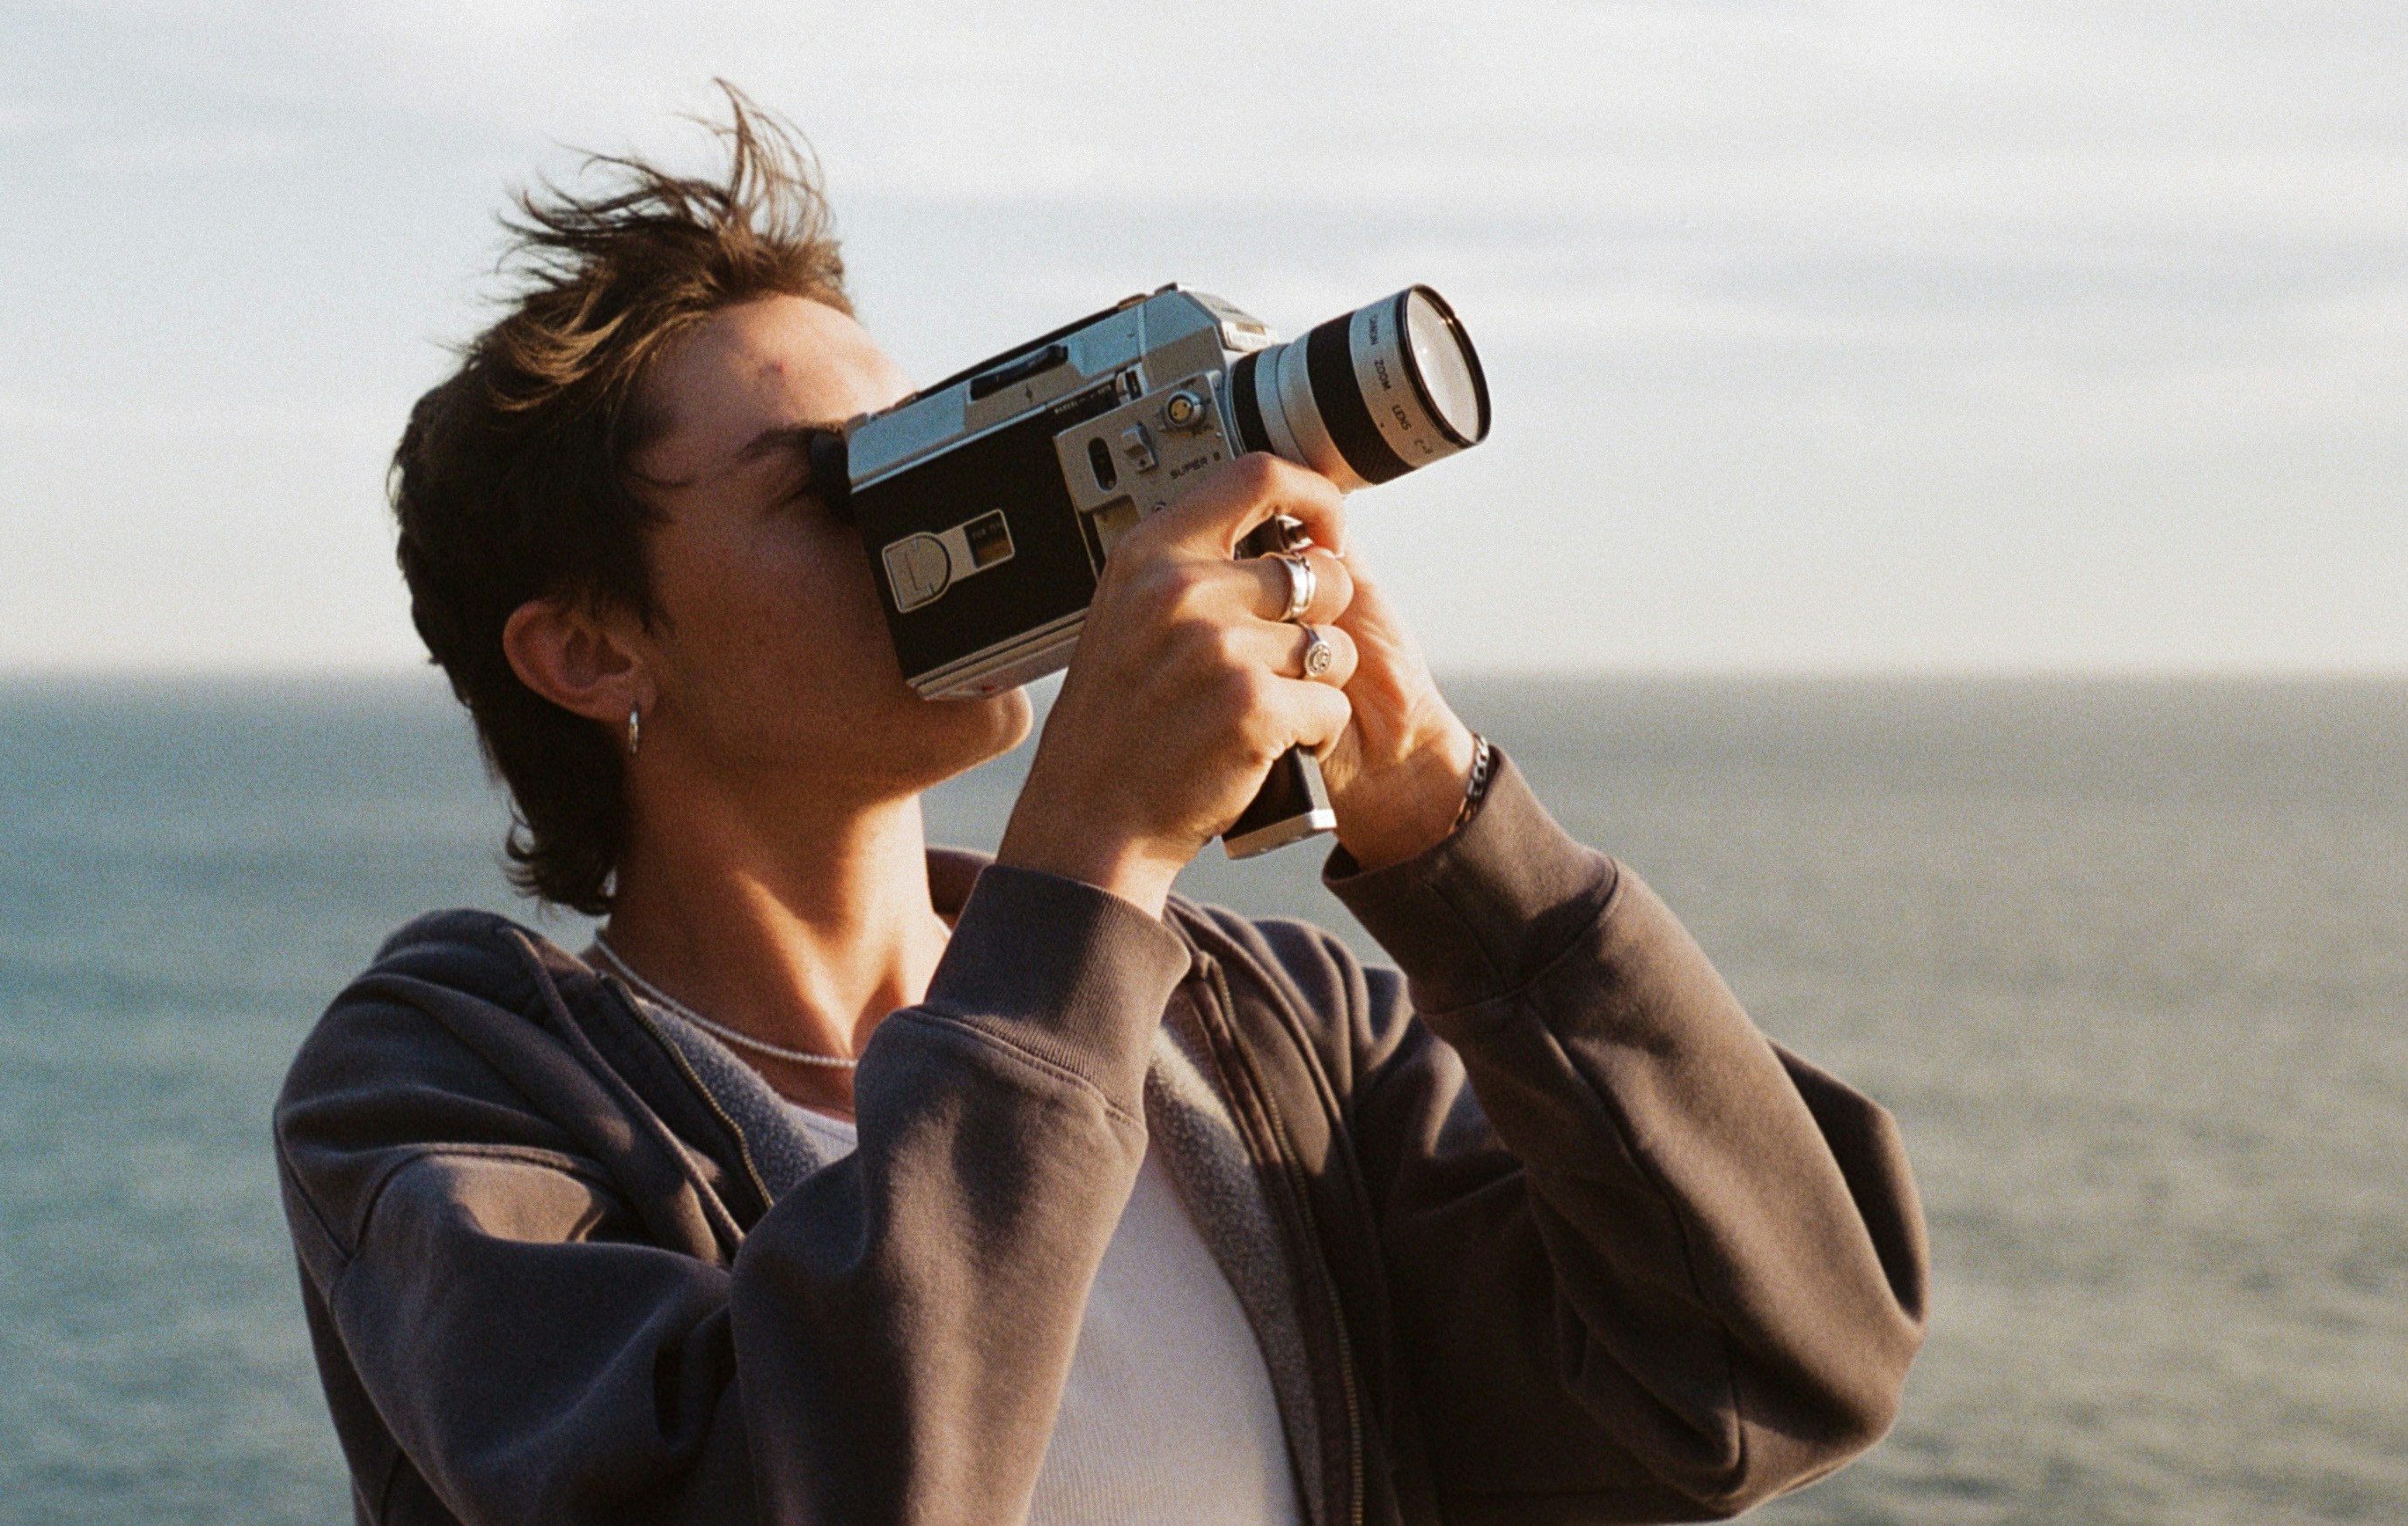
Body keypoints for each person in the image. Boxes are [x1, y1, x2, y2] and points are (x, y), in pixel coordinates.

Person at [273, 95, 1928, 1526]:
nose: (907, 517)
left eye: (918, 449)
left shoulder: (1264, 1040)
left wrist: (1446, 823)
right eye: (830, 484)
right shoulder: (452, 1094)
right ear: (590, 648)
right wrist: (1086, 865)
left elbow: (1783, 1360)